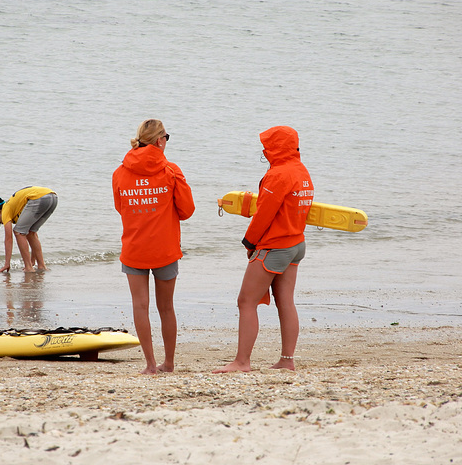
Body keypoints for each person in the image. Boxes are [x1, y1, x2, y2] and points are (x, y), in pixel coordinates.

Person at [213, 126, 314, 373]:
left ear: (277, 147)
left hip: (275, 246)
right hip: (296, 244)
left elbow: (264, 214)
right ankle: (287, 360)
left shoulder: (278, 174)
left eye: (267, 146)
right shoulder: (302, 171)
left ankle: (242, 362)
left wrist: (250, 242)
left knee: (246, 301)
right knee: (286, 302)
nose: (264, 150)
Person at [112, 119, 195, 375]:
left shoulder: (120, 172)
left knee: (140, 306)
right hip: (165, 249)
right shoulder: (171, 170)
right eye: (166, 137)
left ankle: (150, 365)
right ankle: (168, 363)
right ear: (160, 141)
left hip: (134, 247)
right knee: (166, 307)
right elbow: (187, 210)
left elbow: (120, 207)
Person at [0, 186, 58, 273]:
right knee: (31, 232)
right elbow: (32, 235)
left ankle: (28, 267)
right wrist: (32, 260)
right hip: (53, 197)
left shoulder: (5, 209)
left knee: (18, 232)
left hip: (39, 198)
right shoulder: (14, 207)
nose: (2, 223)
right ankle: (41, 266)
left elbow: (8, 239)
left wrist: (7, 263)